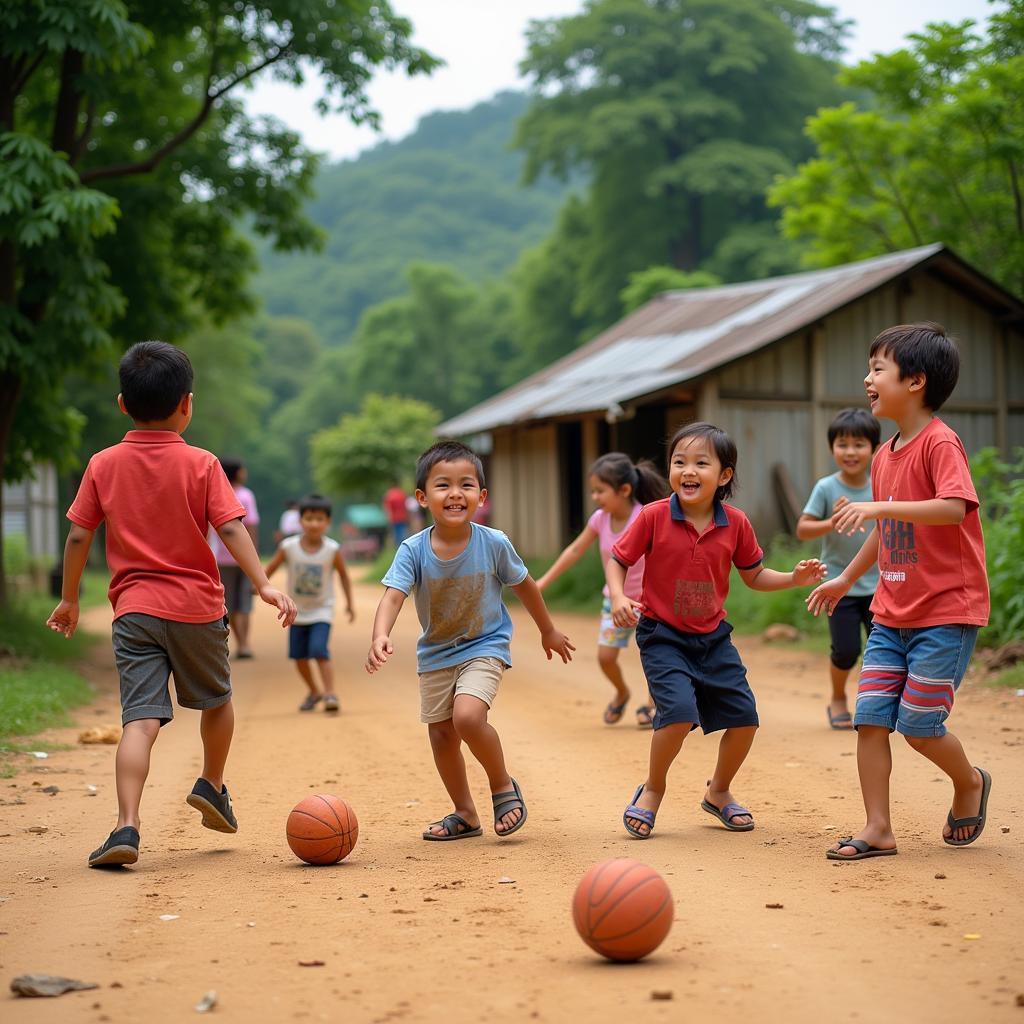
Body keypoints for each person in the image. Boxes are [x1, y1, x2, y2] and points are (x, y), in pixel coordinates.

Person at [45, 341, 296, 869]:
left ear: (121, 404)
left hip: (133, 609)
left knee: (140, 721)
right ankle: (212, 782)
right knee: (218, 700)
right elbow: (230, 527)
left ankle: (126, 825)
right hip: (197, 609)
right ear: (187, 403)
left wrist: (70, 598)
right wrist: (265, 584)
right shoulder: (202, 463)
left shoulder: (102, 464)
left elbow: (77, 537)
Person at [807, 323, 992, 861]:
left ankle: (969, 783)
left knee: (918, 725)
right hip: (891, 613)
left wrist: (881, 507)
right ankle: (878, 827)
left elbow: (953, 508)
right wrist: (845, 579)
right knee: (870, 717)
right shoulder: (885, 454)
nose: (867, 379)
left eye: (877, 369)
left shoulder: (939, 442)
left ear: (915, 382)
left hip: (944, 613)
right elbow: (888, 534)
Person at [609, 422, 826, 839]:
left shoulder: (737, 524)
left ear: (724, 475)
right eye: (679, 462)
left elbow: (755, 575)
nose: (688, 471)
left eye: (701, 463)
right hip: (662, 635)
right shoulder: (654, 516)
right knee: (676, 716)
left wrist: (794, 579)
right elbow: (618, 560)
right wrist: (619, 597)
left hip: (712, 638)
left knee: (745, 718)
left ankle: (719, 792)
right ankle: (653, 789)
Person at [365, 440, 575, 841]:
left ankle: (502, 784)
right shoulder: (412, 549)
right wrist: (380, 634)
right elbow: (393, 595)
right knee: (441, 734)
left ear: (482, 496)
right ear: (422, 497)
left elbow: (525, 585)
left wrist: (547, 629)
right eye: (443, 485)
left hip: (485, 644)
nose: (455, 493)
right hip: (436, 652)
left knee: (466, 718)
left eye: (466, 485)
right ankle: (465, 813)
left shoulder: (493, 542)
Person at [537, 452, 669, 728]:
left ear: (624, 490)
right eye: (592, 491)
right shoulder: (599, 519)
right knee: (606, 657)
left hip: (651, 603)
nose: (595, 497)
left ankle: (653, 704)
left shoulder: (646, 516)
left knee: (654, 657)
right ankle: (621, 692)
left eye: (600, 491)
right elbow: (575, 550)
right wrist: (542, 583)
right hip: (616, 602)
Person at [797, 409, 881, 730]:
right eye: (842, 444)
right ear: (832, 448)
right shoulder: (826, 488)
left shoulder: (881, 485)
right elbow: (803, 529)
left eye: (859, 444)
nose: (850, 452)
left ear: (874, 448)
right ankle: (837, 697)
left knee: (881, 651)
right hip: (838, 585)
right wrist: (832, 522)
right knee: (846, 651)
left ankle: (876, 707)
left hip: (880, 584)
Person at [264, 494, 355, 713]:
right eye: (309, 518)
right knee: (299, 657)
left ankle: (330, 694)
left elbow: (343, 575)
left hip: (321, 610)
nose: (314, 524)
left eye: (320, 519)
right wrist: (260, 586)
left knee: (319, 650)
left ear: (328, 522)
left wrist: (349, 603)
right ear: (300, 521)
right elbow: (271, 568)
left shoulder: (332, 549)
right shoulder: (288, 547)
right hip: (295, 611)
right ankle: (315, 691)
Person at [210, 457, 260, 658]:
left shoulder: (215, 492)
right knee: (244, 603)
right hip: (243, 558)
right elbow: (250, 526)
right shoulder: (246, 496)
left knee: (227, 604)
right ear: (238, 473)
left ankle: (236, 643)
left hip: (221, 558)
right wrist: (253, 554)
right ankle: (245, 644)